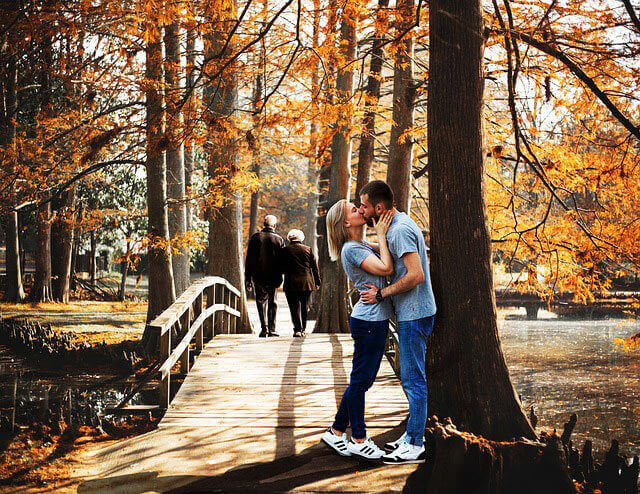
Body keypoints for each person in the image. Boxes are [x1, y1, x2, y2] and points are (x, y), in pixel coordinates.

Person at [357, 180, 437, 465]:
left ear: (378, 208)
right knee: (411, 378)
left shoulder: (400, 230)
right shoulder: (395, 225)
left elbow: (415, 275)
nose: (361, 210)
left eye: (364, 206)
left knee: (414, 380)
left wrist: (381, 293)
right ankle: (411, 434)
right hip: (411, 312)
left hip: (415, 313)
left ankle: (416, 443)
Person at [320, 199, 395, 461]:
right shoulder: (351, 249)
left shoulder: (361, 244)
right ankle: (359, 439)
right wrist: (382, 235)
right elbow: (386, 267)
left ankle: (336, 430)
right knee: (361, 380)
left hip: (374, 319)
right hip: (369, 322)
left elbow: (391, 254)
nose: (359, 210)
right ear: (345, 223)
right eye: (354, 210)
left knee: (362, 379)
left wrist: (383, 235)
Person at [245, 215, 285, 337]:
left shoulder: (256, 238)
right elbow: (283, 260)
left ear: (264, 224)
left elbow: (249, 260)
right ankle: (272, 329)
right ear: (274, 225)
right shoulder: (279, 240)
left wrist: (248, 278)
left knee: (260, 301)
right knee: (273, 301)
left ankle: (264, 328)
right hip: (274, 276)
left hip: (258, 275)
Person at [280, 229, 320, 337]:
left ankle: (297, 329)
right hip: (306, 283)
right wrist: (317, 282)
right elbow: (314, 268)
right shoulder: (308, 250)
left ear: (289, 238)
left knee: (293, 307)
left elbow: (281, 268)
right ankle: (303, 329)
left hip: (290, 283)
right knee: (304, 306)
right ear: (301, 238)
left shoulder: (284, 250)